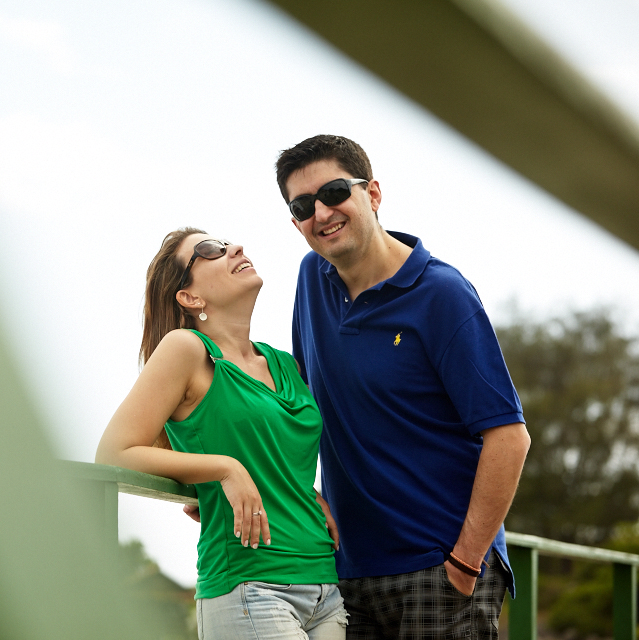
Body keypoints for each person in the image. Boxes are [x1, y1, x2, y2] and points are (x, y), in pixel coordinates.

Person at [275, 134, 531, 639]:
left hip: (440, 567)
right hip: (347, 571)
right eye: (303, 206)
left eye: (333, 193)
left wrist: (464, 563)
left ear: (372, 193)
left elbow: (509, 436)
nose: (321, 213)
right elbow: (300, 410)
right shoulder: (311, 279)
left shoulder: (443, 294)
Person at [96, 228, 348, 640]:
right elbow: (113, 454)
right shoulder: (187, 350)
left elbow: (276, 459)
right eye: (209, 250)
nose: (235, 247)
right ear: (190, 298)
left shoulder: (285, 364)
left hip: (325, 586)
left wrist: (308, 492)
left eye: (227, 241)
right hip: (251, 588)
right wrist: (224, 469)